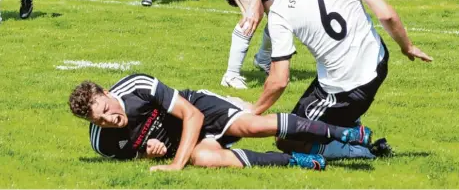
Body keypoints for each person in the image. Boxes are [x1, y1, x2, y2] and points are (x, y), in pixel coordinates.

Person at [248, 0, 433, 153]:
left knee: (287, 139)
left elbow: (279, 80)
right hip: (378, 59)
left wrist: (252, 112)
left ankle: (363, 150)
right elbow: (386, 14)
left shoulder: (280, 8)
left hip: (344, 88)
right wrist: (408, 46)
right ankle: (348, 123)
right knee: (318, 111)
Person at [68, 73, 375, 171]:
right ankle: (297, 161)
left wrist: (175, 164)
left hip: (199, 108)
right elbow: (134, 154)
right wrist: (151, 152)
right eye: (102, 119)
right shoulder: (102, 144)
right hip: (186, 140)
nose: (111, 118)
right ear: (91, 122)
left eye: (107, 108)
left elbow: (192, 115)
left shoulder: (137, 86)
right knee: (204, 159)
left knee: (252, 127)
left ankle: (346, 133)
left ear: (107, 92)